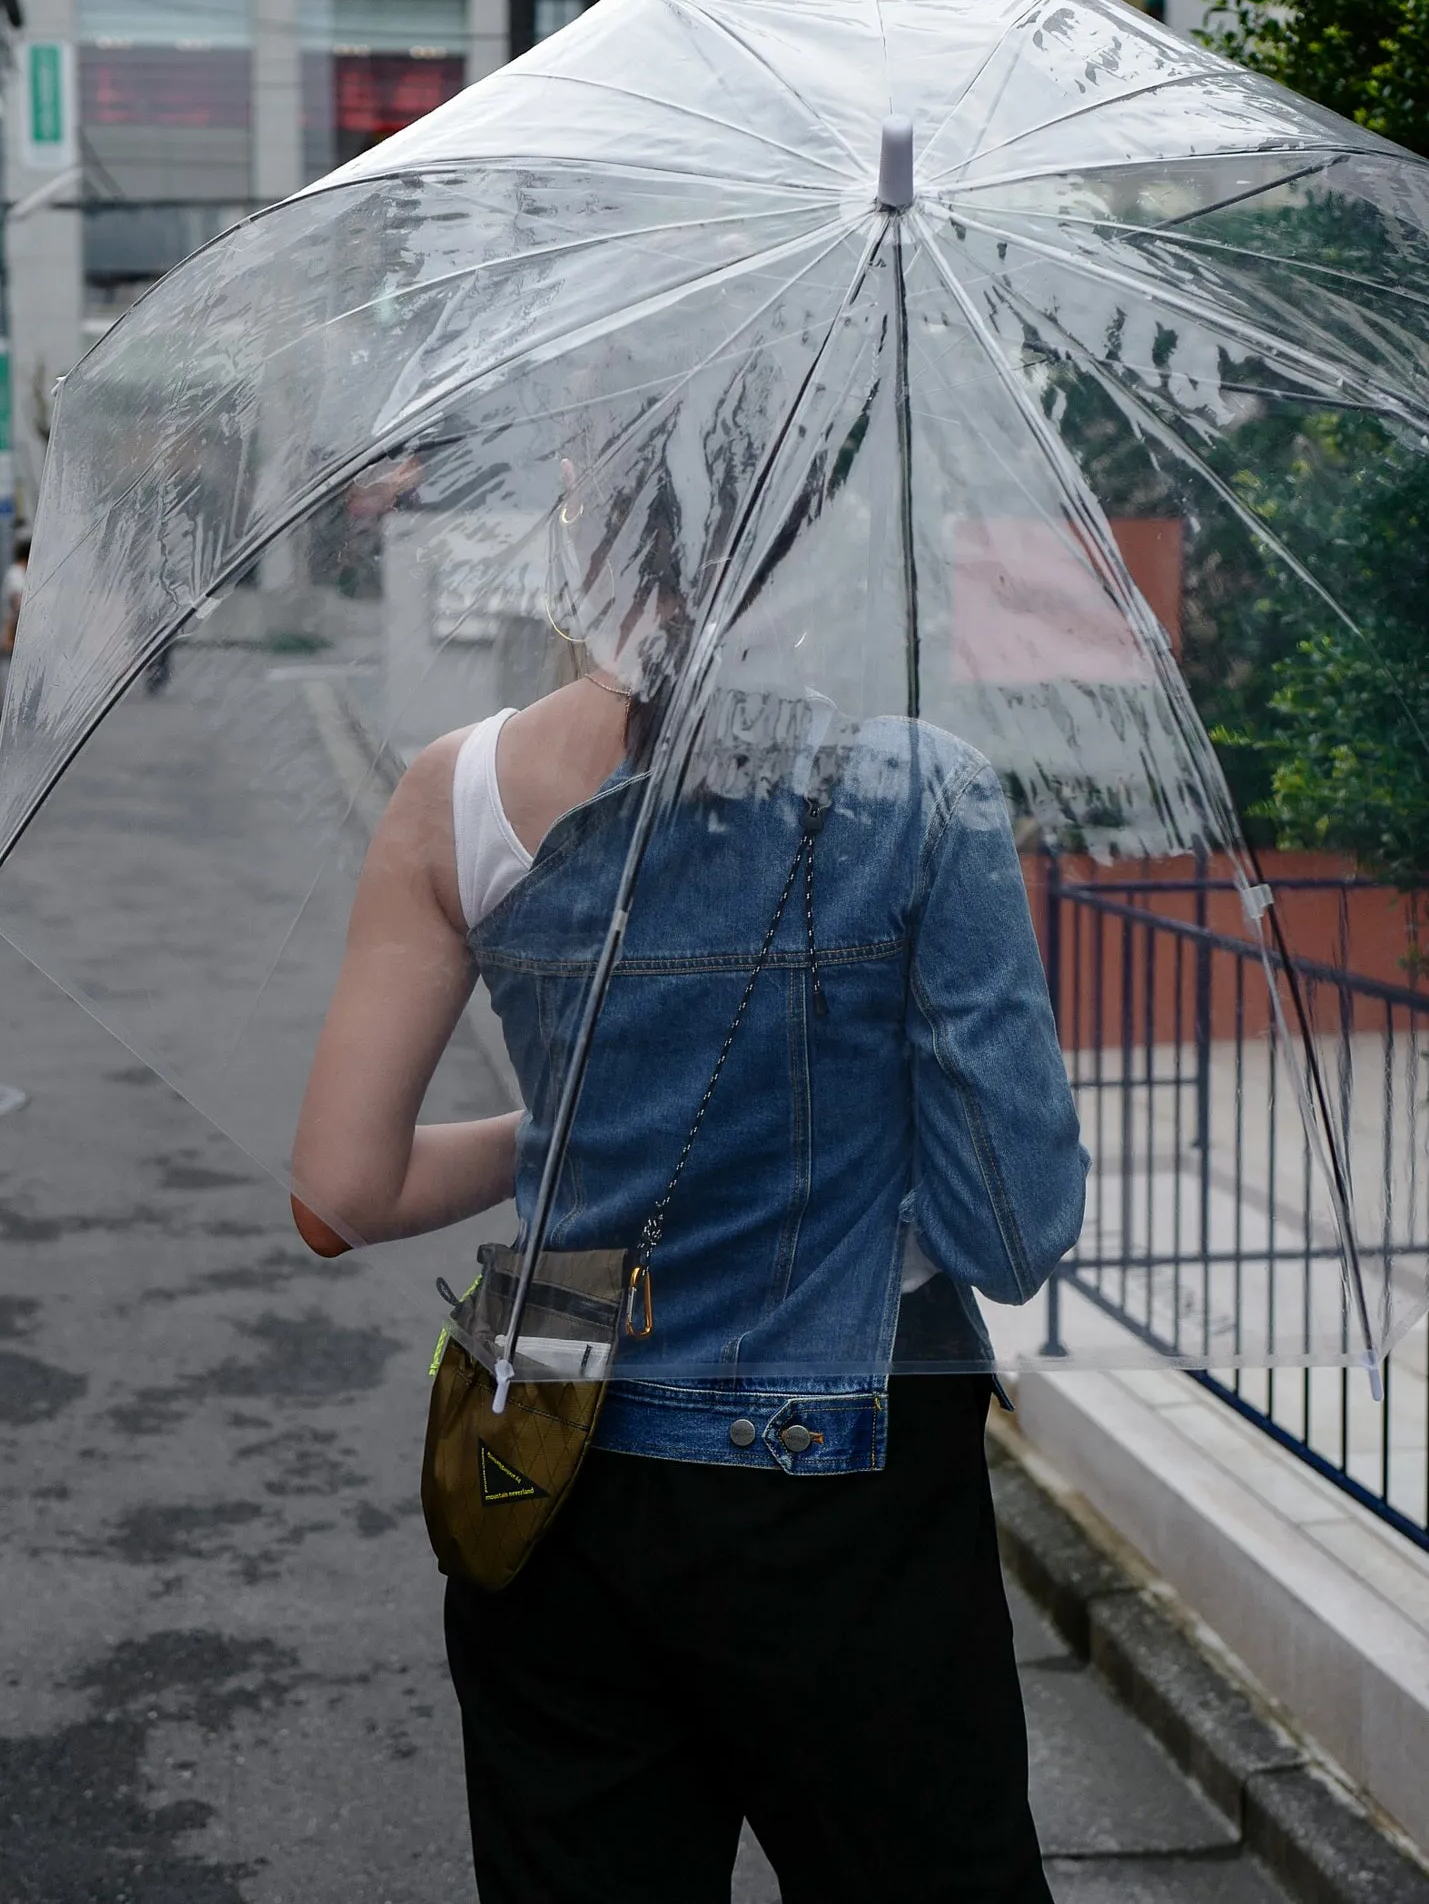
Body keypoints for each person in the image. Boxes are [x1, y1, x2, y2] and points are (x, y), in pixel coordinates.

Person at [291, 511, 1087, 1903]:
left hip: (544, 1471)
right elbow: (1010, 1239)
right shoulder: (920, 796)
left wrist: (573, 1122)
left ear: (586, 526)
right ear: (811, 536)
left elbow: (340, 1195)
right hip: (846, 1493)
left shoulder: (456, 786)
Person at [0, 535, 30, 657]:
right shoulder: (16, 574)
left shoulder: (17, 573)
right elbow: (19, 601)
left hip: (18, 633)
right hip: (17, 633)